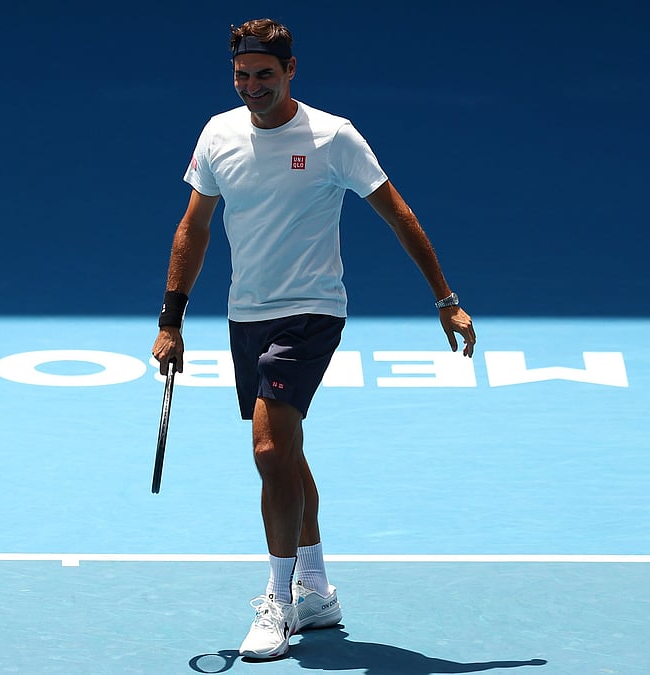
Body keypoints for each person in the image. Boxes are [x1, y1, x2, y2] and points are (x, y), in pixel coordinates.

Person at [151, 18, 476, 660]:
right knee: (287, 454)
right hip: (247, 315)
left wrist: (447, 300)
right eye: (241, 76)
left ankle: (279, 600)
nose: (251, 87)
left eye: (264, 76)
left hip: (313, 311)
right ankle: (319, 591)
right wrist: (171, 319)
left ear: (292, 70)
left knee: (269, 451)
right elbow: (194, 228)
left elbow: (398, 214)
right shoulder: (218, 134)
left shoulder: (333, 138)